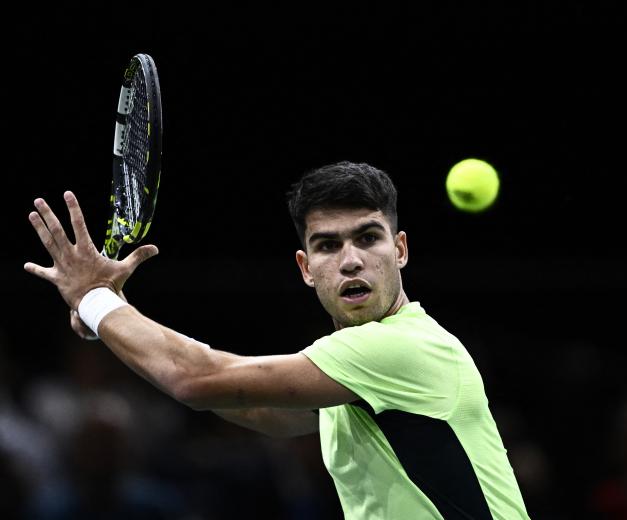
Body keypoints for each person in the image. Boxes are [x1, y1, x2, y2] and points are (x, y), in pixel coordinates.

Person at [24, 160, 530, 519]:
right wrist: (115, 326)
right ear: (306, 269)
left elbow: (198, 378)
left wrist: (95, 301)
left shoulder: (400, 347)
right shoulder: (349, 377)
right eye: (328, 245)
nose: (351, 259)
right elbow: (261, 411)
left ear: (399, 250)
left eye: (368, 237)